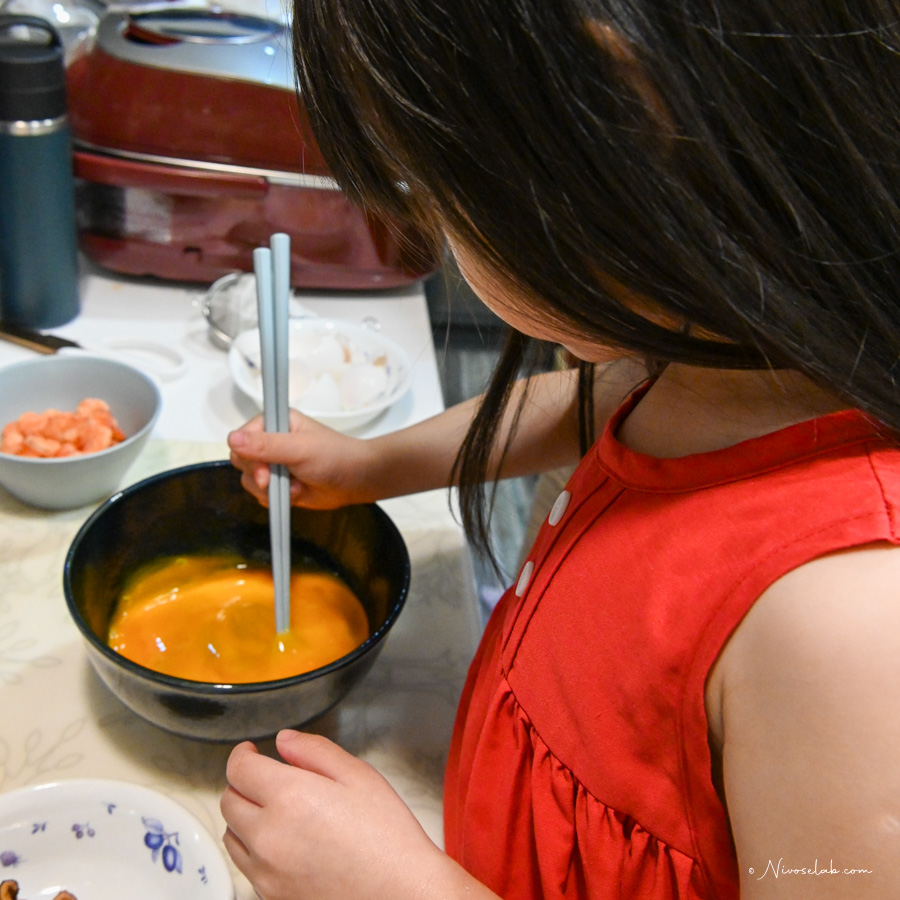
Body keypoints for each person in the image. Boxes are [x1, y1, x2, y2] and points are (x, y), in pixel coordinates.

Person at [219, 2, 900, 898]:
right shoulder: (722, 352)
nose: (440, 240)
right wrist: (376, 465)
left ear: (623, 118)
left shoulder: (846, 632)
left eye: (437, 194)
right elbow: (595, 401)